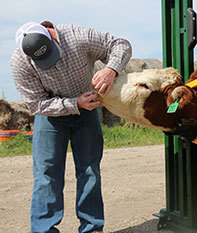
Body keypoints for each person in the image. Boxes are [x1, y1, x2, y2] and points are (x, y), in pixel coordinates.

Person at [10, 21, 132, 233]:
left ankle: (92, 228)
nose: (52, 64)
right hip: (51, 113)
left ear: (52, 36)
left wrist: (111, 69)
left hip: (88, 110)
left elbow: (120, 44)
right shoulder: (20, 62)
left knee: (89, 169)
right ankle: (44, 229)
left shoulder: (77, 36)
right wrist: (74, 103)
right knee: (46, 174)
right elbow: (36, 104)